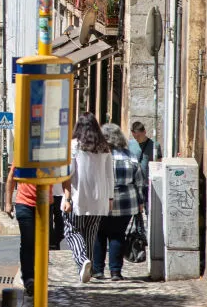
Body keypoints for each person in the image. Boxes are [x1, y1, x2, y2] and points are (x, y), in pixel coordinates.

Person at [61, 112, 114, 284]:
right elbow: (109, 175)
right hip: (99, 199)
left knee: (71, 230)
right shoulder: (104, 147)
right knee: (90, 234)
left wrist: (66, 198)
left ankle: (83, 260)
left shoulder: (74, 146)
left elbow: (69, 173)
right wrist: (110, 199)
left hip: (79, 196)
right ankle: (86, 269)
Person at [92, 123, 146, 281]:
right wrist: (141, 202)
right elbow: (139, 181)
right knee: (117, 235)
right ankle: (115, 271)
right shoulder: (129, 156)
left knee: (99, 235)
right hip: (125, 202)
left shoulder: (97, 157)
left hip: (101, 200)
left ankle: (98, 270)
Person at [4, 165, 53, 298]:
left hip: (44, 202)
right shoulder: (23, 154)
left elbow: (64, 175)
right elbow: (11, 178)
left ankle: (39, 275)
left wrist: (67, 197)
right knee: (28, 241)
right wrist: (8, 203)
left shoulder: (50, 155)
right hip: (24, 203)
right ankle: (29, 278)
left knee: (42, 242)